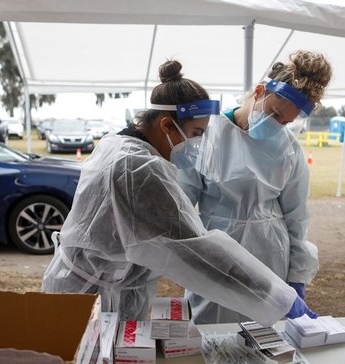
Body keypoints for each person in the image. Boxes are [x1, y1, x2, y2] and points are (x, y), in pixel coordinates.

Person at [42, 60, 316, 325]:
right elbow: (195, 248)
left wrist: (290, 282)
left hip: (103, 284)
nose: (198, 144)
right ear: (166, 125)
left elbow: (296, 214)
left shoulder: (121, 146)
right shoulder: (139, 170)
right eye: (196, 133)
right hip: (91, 296)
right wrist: (279, 298)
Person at [177, 50, 332, 324]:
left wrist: (297, 277)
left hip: (269, 255)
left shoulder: (289, 150)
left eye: (286, 122)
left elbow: (297, 218)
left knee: (263, 337)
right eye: (274, 113)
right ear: (259, 91)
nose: (277, 125)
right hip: (218, 254)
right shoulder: (208, 136)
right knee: (210, 331)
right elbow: (180, 201)